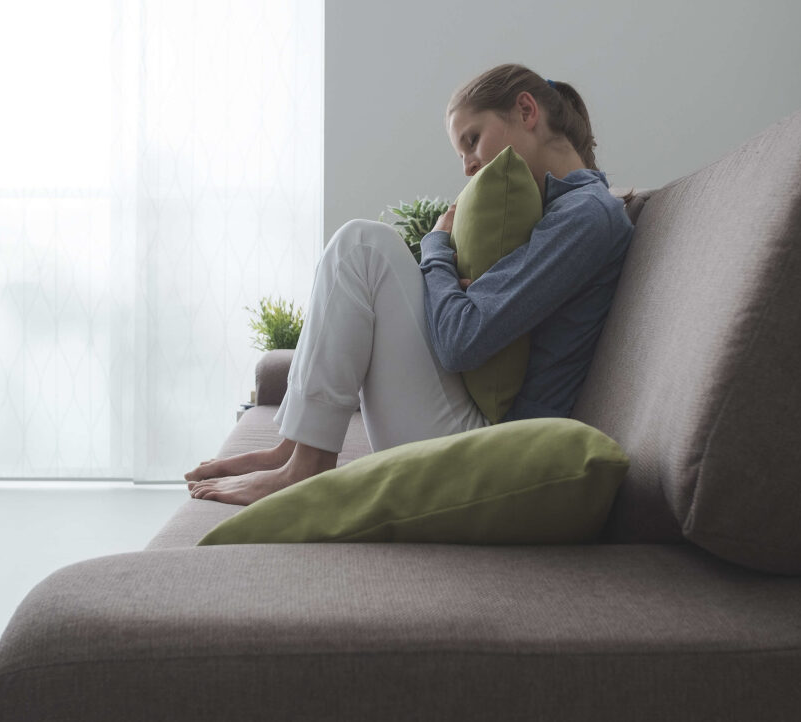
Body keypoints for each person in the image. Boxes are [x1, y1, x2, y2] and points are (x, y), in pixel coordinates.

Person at [186, 63, 634, 505]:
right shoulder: (562, 212)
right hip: (485, 434)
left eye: (472, 140)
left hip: (499, 453)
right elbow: (471, 322)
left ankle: (306, 466)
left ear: (526, 110)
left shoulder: (585, 216)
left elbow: (460, 338)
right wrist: (454, 288)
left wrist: (436, 247)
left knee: (363, 245)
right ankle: (297, 448)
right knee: (363, 244)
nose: (467, 167)